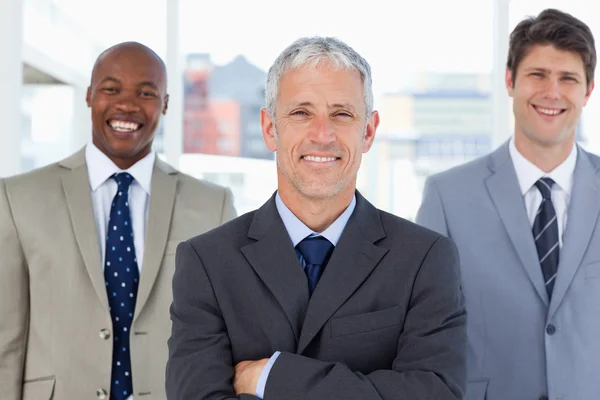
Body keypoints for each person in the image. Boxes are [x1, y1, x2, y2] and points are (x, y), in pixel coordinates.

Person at [166, 36, 466, 400]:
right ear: (269, 128)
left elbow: (435, 394)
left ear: (368, 131)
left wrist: (269, 378)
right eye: (301, 113)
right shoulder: (207, 262)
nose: (322, 135)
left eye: (341, 114)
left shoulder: (425, 258)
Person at [0, 41, 236, 400]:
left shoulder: (212, 206)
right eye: (111, 89)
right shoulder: (18, 199)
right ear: (90, 95)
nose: (126, 104)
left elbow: (227, 339)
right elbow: (6, 341)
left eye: (145, 92)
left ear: (166, 103)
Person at [416, 8, 598, 400]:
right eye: (538, 75)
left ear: (588, 91)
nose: (552, 92)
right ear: (510, 81)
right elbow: (423, 335)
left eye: (568, 78)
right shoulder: (447, 197)